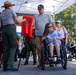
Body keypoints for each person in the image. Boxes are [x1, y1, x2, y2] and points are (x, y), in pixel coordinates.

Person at [0, 1, 26, 71]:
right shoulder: (11, 11)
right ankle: (10, 65)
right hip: (10, 28)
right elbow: (18, 21)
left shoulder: (2, 13)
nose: (12, 7)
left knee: (5, 48)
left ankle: (5, 66)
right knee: (13, 46)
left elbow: (1, 23)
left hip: (4, 29)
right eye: (11, 6)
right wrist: (24, 20)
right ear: (9, 6)